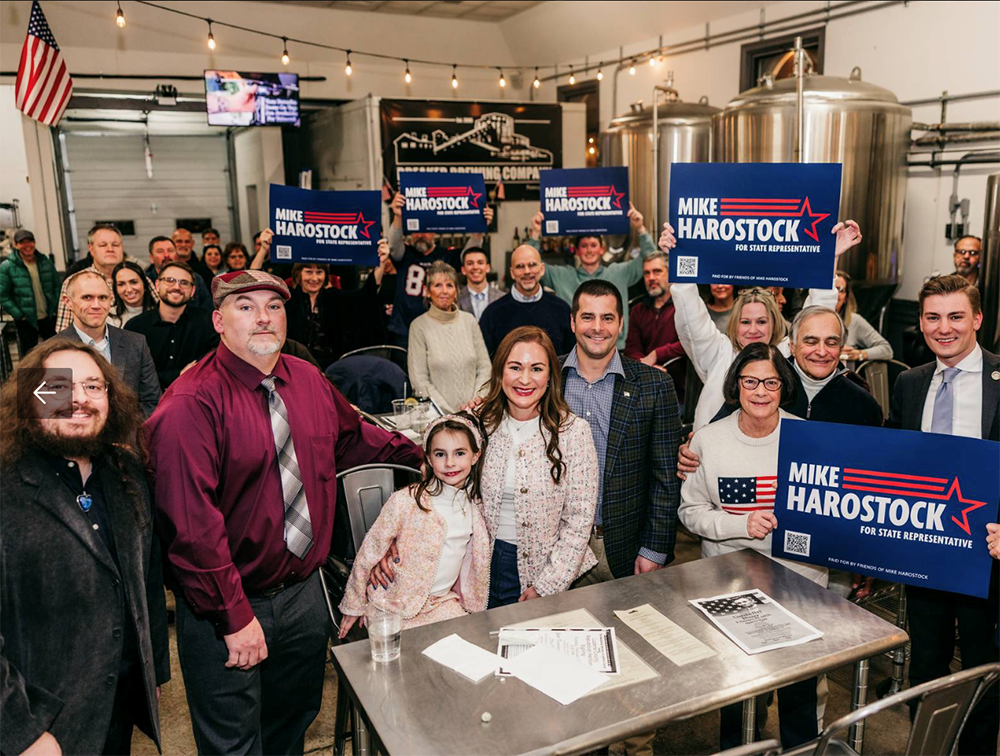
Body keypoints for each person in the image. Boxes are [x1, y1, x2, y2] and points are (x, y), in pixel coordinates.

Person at [145, 268, 422, 755]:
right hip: (226, 605)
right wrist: (233, 617)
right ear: (217, 320)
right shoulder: (190, 404)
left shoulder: (308, 380)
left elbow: (356, 440)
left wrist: (431, 460)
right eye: (245, 307)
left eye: (273, 307)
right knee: (234, 745)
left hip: (303, 598)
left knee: (290, 729)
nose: (263, 319)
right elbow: (191, 528)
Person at [0, 339, 169, 755]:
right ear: (30, 397)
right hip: (45, 723)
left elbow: (144, 578)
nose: (79, 398)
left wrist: (153, 675)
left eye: (94, 386)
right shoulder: (7, 487)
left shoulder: (124, 469)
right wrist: (20, 731)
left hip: (117, 705)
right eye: (59, 386)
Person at [680, 342, 828, 750]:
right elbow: (690, 512)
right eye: (750, 381)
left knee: (799, 694)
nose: (760, 391)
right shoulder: (708, 440)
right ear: (736, 386)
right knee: (740, 693)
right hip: (730, 585)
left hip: (800, 584)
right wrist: (738, 523)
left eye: (770, 382)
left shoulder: (811, 438)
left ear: (784, 386)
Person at [888, 274, 1000, 756]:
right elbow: (894, 463)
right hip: (926, 551)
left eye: (956, 316)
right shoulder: (910, 383)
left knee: (984, 668)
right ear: (921, 322)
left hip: (989, 555)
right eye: (933, 317)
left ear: (976, 319)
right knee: (926, 664)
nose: (944, 328)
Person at [659, 220, 861, 430]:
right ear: (735, 324)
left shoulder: (786, 353)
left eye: (762, 322)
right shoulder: (718, 352)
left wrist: (829, 259)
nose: (753, 329)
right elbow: (691, 317)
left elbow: (816, 317)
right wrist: (678, 255)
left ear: (774, 323)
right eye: (745, 322)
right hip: (714, 455)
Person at [338, 413, 490, 635]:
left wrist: (473, 607)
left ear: (475, 456)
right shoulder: (406, 500)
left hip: (441, 605)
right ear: (428, 458)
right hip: (391, 604)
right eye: (440, 454)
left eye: (459, 453)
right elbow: (369, 550)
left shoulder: (475, 509)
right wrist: (354, 604)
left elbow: (473, 564)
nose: (449, 463)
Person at [525, 203, 654, 349]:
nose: (589, 250)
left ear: (601, 249)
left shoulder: (619, 272)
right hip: (572, 350)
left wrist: (640, 229)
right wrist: (536, 233)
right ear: (577, 251)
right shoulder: (561, 275)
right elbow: (530, 265)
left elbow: (650, 259)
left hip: (615, 349)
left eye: (593, 245)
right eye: (584, 246)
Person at [253, 230, 389, 368]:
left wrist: (381, 262)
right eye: (309, 272)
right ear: (298, 274)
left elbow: (367, 294)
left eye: (319, 272)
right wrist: (264, 249)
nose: (314, 278)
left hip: (332, 369)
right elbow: (256, 283)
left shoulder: (335, 297)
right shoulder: (287, 299)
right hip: (294, 367)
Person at [386, 191, 493, 342]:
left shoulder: (446, 255)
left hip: (440, 328)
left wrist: (479, 229)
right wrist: (398, 216)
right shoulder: (406, 253)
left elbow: (469, 254)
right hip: (404, 329)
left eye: (426, 230)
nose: (420, 234)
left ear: (434, 231)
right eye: (415, 229)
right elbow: (393, 246)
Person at [58, 269, 162, 418]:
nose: (96, 305)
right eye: (87, 297)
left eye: (102, 297)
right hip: (77, 437)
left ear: (111, 300)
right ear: (68, 302)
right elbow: (47, 413)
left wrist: (129, 435)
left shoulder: (136, 343)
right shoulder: (50, 352)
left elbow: (152, 401)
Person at [408, 261, 491, 413]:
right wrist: (450, 412)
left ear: (457, 291)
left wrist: (474, 403)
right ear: (427, 291)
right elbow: (419, 380)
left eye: (449, 285)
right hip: (438, 417)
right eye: (437, 285)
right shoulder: (418, 326)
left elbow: (485, 368)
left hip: (475, 412)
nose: (444, 291)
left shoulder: (469, 321)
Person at [125, 261, 219, 389]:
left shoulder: (208, 321)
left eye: (184, 283)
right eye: (169, 280)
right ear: (157, 285)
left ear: (192, 291)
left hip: (198, 397)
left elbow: (218, 358)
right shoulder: (135, 327)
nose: (176, 287)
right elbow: (134, 375)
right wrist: (179, 375)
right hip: (152, 402)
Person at [56, 224, 158, 331]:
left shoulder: (140, 278)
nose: (110, 249)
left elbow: (161, 311)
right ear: (91, 249)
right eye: (103, 245)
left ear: (122, 248)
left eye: (115, 245)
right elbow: (63, 330)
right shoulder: (74, 282)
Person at [478, 245, 574, 355]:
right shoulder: (492, 314)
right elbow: (484, 362)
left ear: (542, 269)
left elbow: (571, 357)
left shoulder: (562, 309)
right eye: (520, 266)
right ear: (512, 273)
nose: (527, 271)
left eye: (532, 265)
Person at [624, 250, 687, 400]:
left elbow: (691, 342)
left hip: (678, 393)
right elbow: (631, 350)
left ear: (670, 273)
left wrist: (657, 353)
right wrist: (648, 369)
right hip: (644, 390)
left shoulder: (685, 306)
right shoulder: (638, 310)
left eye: (657, 271)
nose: (651, 278)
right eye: (647, 273)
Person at [0, 228, 59, 353]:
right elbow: (3, 295)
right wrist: (18, 314)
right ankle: (31, 374)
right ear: (16, 245)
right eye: (22, 242)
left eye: (30, 241)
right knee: (29, 354)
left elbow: (57, 286)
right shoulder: (7, 267)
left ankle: (57, 374)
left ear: (35, 242)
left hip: (47, 316)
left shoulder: (45, 262)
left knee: (55, 351)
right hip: (26, 320)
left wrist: (54, 308)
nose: (27, 245)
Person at [835, 270, 893, 365]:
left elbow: (887, 350)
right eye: (830, 289)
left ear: (846, 298)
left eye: (840, 289)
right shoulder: (810, 320)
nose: (835, 294)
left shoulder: (854, 321)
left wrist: (859, 354)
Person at [458, 246, 503, 321]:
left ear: (488, 267)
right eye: (470, 263)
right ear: (463, 270)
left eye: (480, 263)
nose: (475, 267)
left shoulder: (501, 298)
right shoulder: (456, 299)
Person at [172, 228, 214, 308]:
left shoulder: (204, 271)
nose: (183, 245)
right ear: (172, 243)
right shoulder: (165, 269)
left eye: (187, 242)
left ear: (192, 243)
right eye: (179, 241)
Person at [110, 260, 158, 328]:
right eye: (121, 284)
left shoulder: (160, 314)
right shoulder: (109, 318)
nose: (129, 289)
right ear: (116, 289)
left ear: (144, 284)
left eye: (134, 282)